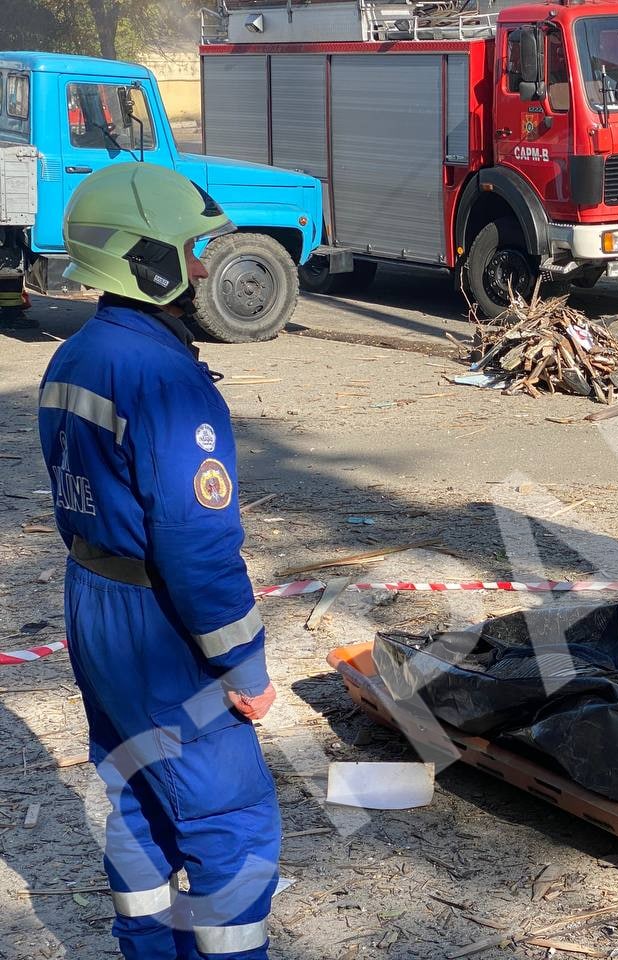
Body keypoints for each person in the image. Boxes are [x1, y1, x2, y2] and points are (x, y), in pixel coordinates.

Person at [37, 162, 280, 959]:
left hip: (93, 599)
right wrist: (244, 665)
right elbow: (197, 546)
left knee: (138, 794)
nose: (204, 268)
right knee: (229, 820)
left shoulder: (74, 356)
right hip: (159, 628)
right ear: (145, 257)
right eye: (192, 249)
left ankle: (147, 948)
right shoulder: (166, 379)